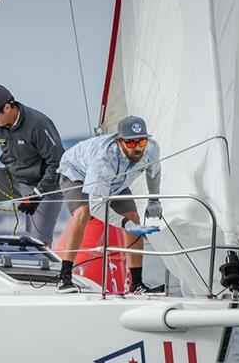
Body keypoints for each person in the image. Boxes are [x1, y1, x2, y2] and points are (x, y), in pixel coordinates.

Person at [56, 116, 162, 294]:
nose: (137, 147)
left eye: (141, 141)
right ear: (119, 141)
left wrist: (154, 201)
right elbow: (97, 207)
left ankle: (136, 284)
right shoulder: (103, 160)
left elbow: (154, 173)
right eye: (131, 143)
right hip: (77, 174)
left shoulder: (151, 148)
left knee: (134, 218)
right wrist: (124, 224)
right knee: (83, 212)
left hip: (116, 181)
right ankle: (64, 277)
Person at [0, 85, 65, 246]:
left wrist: (37, 194)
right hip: (12, 178)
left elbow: (58, 164)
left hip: (43, 186)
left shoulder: (38, 124)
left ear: (7, 108)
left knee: (38, 244)